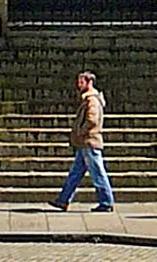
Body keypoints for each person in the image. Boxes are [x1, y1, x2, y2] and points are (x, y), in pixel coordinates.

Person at [52, 70, 115, 212]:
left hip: (89, 142)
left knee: (98, 173)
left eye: (82, 82)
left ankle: (106, 201)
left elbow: (92, 120)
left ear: (89, 82)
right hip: (84, 143)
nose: (79, 85)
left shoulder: (92, 100)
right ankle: (63, 200)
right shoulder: (88, 99)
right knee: (75, 174)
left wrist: (80, 131)